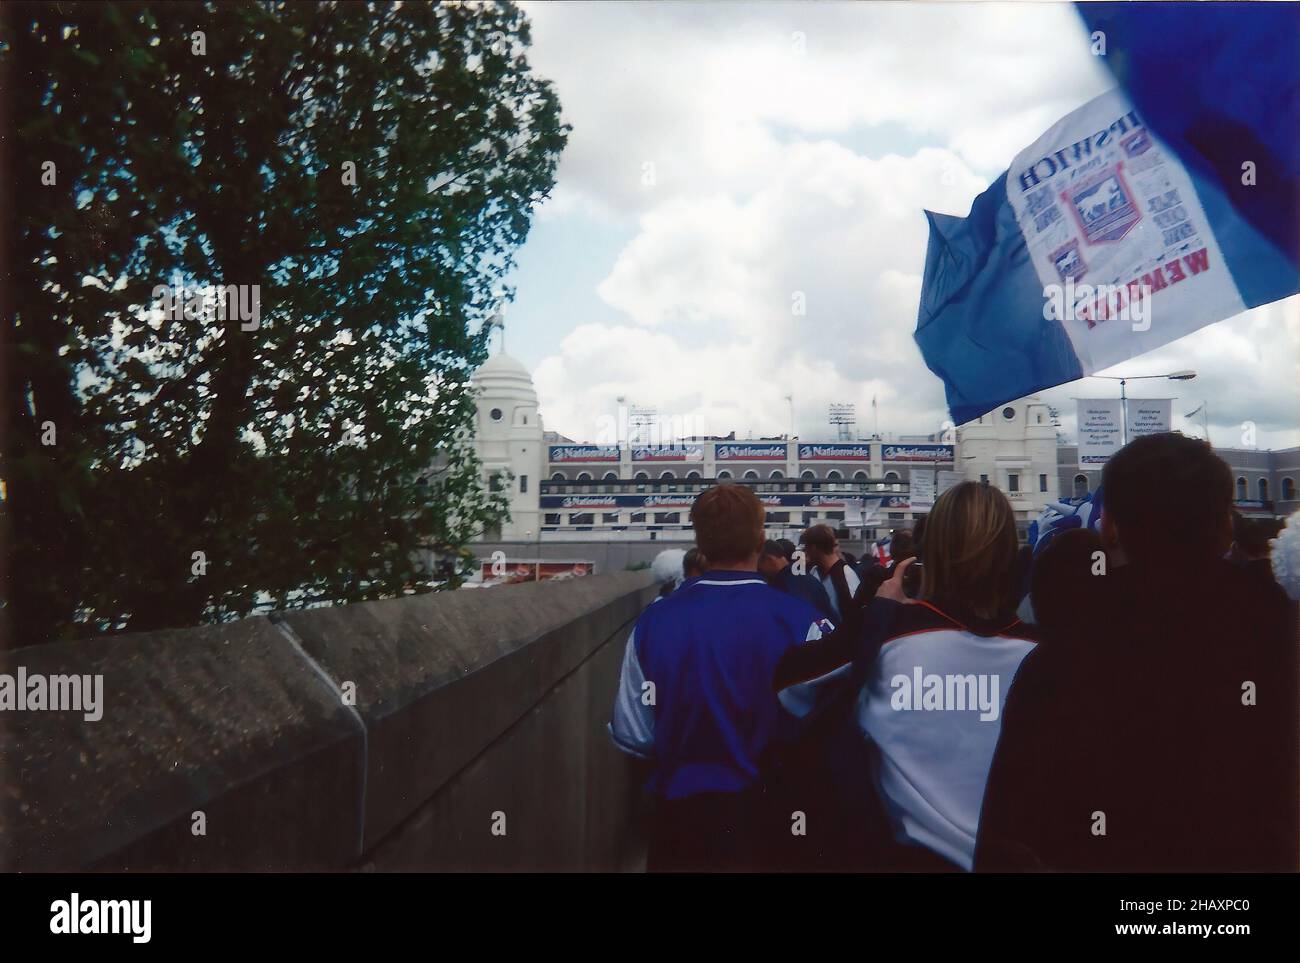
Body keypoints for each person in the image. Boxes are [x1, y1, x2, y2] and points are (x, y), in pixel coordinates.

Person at [977, 433, 1298, 872]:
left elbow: (1010, 837)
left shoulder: (1062, 663)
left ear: (1109, 527)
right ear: (1226, 525)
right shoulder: (1279, 638)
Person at [776, 482, 1038, 871]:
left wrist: (874, 611)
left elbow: (789, 687)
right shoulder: (1042, 654)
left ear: (929, 553)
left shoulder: (889, 635)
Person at [608, 484, 836, 872]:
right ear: (761, 540)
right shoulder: (803, 622)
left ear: (700, 541)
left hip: (680, 826)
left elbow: (635, 736)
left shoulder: (653, 623)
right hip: (770, 824)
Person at [758, 539, 835, 620]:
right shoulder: (800, 578)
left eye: (758, 565)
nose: (758, 570)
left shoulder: (788, 586)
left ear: (770, 559)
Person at [801, 523, 862, 620]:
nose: (806, 553)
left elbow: (854, 618)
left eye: (806, 548)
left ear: (814, 548)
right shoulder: (813, 571)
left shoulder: (846, 576)